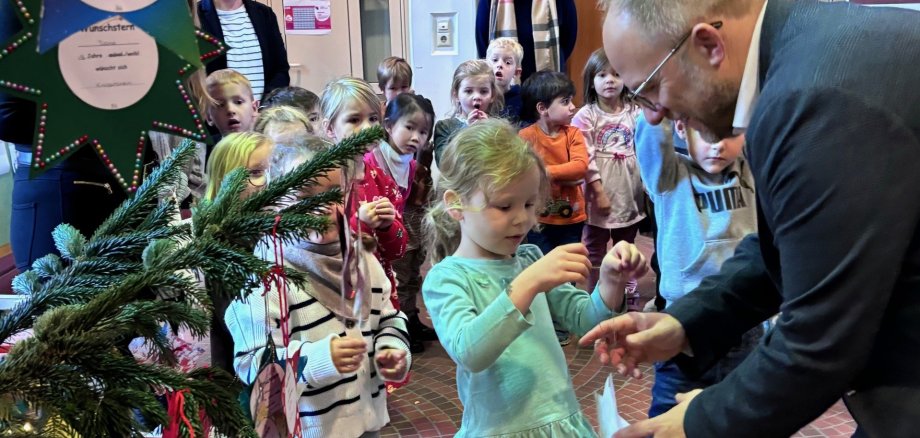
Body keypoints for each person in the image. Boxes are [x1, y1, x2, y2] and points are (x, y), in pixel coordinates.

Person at [580, 0, 920, 436]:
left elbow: (817, 341)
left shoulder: (810, 97)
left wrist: (695, 422)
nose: (651, 115)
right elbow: (795, 244)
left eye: (650, 88)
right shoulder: (799, 58)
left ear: (708, 45)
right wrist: (686, 323)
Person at [422, 119, 646, 437]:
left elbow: (585, 320)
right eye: (503, 206)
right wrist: (528, 283)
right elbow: (469, 352)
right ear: (456, 204)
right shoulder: (447, 278)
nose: (522, 219)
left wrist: (611, 280)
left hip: (560, 421)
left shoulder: (529, 259)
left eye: (529, 204)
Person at [226, 140, 410, 438]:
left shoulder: (362, 258)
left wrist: (393, 349)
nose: (322, 208)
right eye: (305, 196)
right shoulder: (268, 277)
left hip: (367, 422)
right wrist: (319, 358)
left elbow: (390, 317)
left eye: (333, 194)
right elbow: (249, 363)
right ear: (278, 202)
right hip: (309, 430)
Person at [638, 116, 763, 417]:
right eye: (707, 134)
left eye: (729, 134)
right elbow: (651, 133)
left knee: (738, 418)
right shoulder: (670, 177)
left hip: (744, 324)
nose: (718, 145)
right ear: (681, 129)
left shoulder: (751, 173)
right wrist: (661, 102)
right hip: (684, 323)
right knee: (668, 417)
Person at [321, 77, 409, 310]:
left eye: (373, 119)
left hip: (380, 291)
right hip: (338, 293)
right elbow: (321, 245)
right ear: (329, 128)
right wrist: (359, 223)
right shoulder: (322, 184)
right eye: (354, 119)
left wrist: (387, 226)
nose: (367, 128)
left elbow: (398, 250)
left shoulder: (380, 179)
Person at [571, 48, 645, 296]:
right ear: (592, 80)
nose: (610, 80)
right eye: (602, 75)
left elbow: (643, 146)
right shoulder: (587, 115)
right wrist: (598, 192)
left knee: (626, 243)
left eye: (616, 74)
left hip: (628, 188)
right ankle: (597, 295)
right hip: (599, 190)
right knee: (595, 247)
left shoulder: (634, 112)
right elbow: (586, 157)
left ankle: (626, 291)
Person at [370, 93, 438, 353]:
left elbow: (413, 197)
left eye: (423, 132)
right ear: (388, 125)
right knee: (396, 280)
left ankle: (411, 318)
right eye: (409, 128)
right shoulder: (375, 158)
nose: (416, 138)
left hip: (406, 232)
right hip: (385, 236)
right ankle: (397, 326)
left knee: (411, 278)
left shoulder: (409, 162)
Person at [203, 131, 274, 372]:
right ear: (225, 179)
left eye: (272, 169)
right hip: (244, 367)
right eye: (255, 172)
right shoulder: (220, 242)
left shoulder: (276, 226)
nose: (267, 180)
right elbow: (234, 322)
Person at [198, 0, 290, 101]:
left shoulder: (263, 13)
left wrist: (264, 108)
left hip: (263, 113)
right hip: (218, 113)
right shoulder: (196, 15)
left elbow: (280, 70)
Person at [432, 60, 504, 164]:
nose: (477, 97)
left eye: (483, 91)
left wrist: (488, 131)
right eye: (468, 91)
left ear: (492, 95)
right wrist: (467, 131)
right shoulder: (444, 127)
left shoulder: (499, 128)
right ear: (456, 95)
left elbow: (503, 162)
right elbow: (443, 163)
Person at [205, 69, 259, 142]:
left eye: (238, 102)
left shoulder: (270, 148)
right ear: (209, 117)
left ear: (254, 108)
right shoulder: (202, 151)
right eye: (220, 105)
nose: (230, 110)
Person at [486, 37, 524, 124]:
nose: (499, 65)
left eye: (507, 62)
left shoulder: (522, 99)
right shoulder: (479, 94)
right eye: (495, 60)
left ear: (517, 72)